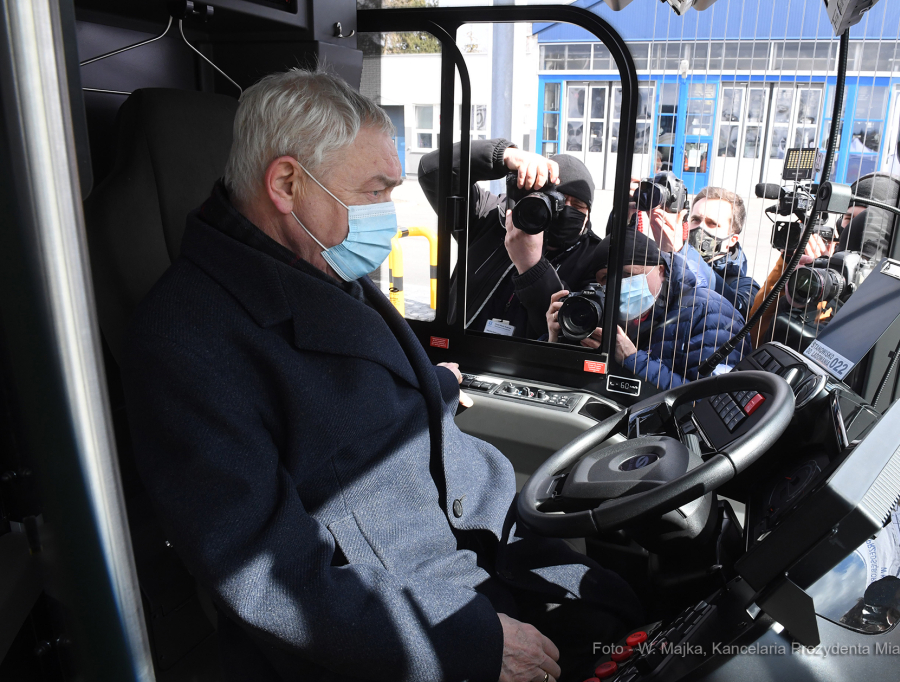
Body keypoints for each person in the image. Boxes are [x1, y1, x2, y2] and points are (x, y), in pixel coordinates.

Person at [121, 68, 641, 682]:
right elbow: (268, 577)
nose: (387, 216)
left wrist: (434, 385)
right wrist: (469, 645)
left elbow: (356, 395)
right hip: (411, 614)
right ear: (286, 183)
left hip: (485, 537)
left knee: (640, 613)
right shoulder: (186, 339)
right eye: (374, 192)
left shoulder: (315, 261)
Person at [418, 139, 602, 339]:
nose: (565, 210)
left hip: (526, 358)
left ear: (588, 215)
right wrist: (503, 155)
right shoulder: (493, 216)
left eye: (578, 205)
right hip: (460, 349)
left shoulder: (594, 258)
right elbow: (433, 170)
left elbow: (572, 331)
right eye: (558, 200)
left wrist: (533, 267)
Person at [545, 230, 751, 389]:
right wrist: (554, 341)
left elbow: (712, 402)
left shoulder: (710, 313)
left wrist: (633, 360)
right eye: (606, 278)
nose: (616, 286)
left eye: (627, 274)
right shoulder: (598, 310)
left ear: (660, 270)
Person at [749, 172, 900, 347]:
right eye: (849, 218)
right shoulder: (822, 261)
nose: (853, 227)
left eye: (864, 220)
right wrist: (795, 274)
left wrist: (832, 286)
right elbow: (756, 333)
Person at [648, 185, 760, 317]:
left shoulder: (746, 286)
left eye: (712, 223)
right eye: (695, 220)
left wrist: (682, 252)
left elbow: (737, 310)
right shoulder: (665, 264)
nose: (700, 228)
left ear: (732, 240)